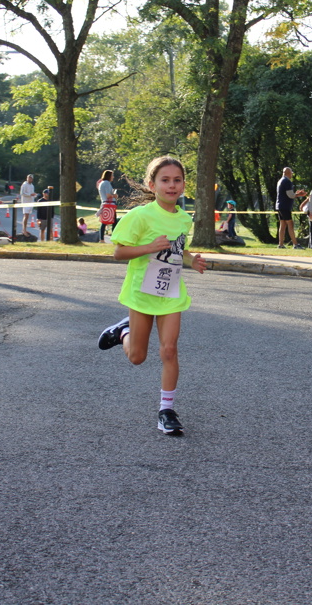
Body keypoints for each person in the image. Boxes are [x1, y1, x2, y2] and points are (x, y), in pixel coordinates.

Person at [97, 156, 207, 436]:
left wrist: (192, 260)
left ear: (183, 185)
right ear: (152, 184)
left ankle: (166, 411)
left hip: (170, 292)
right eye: (165, 180)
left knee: (169, 350)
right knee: (137, 357)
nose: (172, 185)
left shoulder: (183, 218)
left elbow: (177, 250)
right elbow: (119, 252)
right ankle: (123, 332)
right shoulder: (140, 216)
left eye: (177, 180)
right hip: (142, 294)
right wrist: (149, 247)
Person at [275, 167, 306, 249]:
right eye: (291, 172)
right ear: (288, 173)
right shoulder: (287, 181)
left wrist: (296, 193)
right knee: (290, 223)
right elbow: (290, 195)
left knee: (282, 224)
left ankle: (281, 244)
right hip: (285, 206)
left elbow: (288, 193)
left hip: (279, 205)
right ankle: (295, 244)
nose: (292, 174)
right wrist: (299, 194)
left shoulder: (280, 181)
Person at [97, 170, 117, 242]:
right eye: (112, 175)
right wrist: (114, 195)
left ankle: (101, 239)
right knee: (113, 222)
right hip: (109, 205)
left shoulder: (102, 183)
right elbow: (108, 195)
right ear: (109, 176)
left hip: (105, 204)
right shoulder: (107, 183)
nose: (113, 177)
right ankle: (113, 238)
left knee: (104, 221)